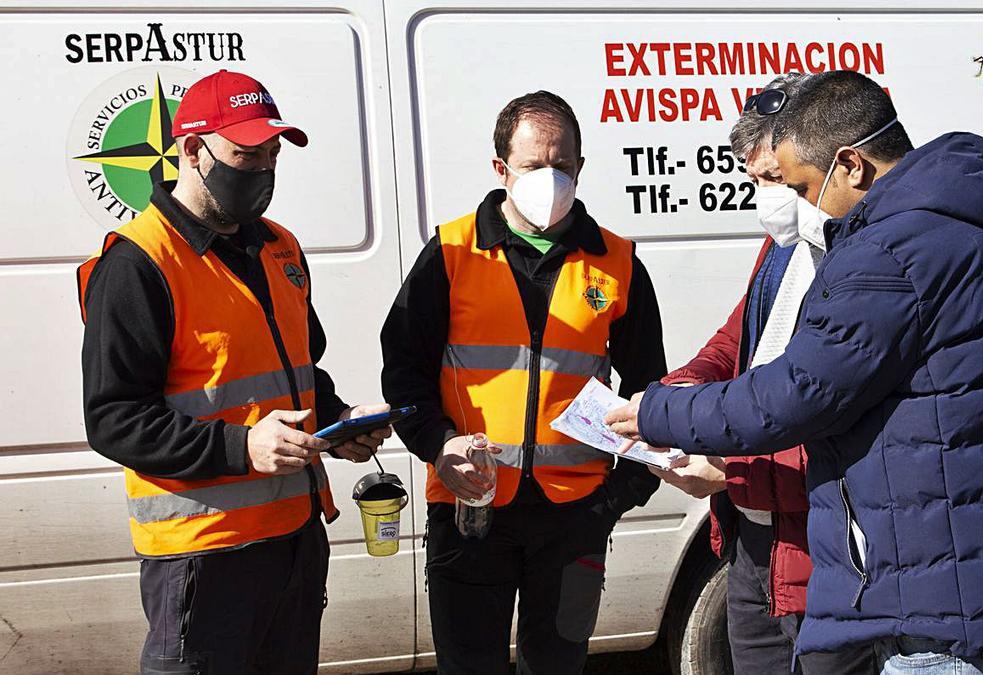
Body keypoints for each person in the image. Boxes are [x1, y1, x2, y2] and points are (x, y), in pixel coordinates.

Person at [607, 70, 983, 674]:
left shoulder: (891, 251)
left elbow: (796, 394)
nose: (792, 202)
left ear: (850, 164)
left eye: (796, 183)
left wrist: (657, 413)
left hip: (944, 601)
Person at [78, 69, 392, 675]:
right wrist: (243, 445)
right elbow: (113, 420)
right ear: (192, 151)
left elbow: (299, 370)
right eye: (247, 155)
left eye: (273, 155)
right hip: (203, 558)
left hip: (293, 540)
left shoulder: (279, 247)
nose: (263, 172)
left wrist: (338, 421)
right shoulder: (139, 263)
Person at [380, 90, 666, 675]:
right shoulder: (452, 252)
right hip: (471, 511)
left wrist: (618, 498)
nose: (551, 178)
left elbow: (651, 394)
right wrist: (436, 446)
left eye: (563, 165)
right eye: (535, 165)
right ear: (501, 169)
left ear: (581, 167)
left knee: (558, 665)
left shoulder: (617, 261)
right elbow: (403, 370)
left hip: (575, 516)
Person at [654, 72, 873, 674]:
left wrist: (729, 464)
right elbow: (741, 338)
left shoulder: (861, 261)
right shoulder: (783, 243)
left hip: (821, 541)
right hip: (754, 536)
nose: (766, 197)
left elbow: (819, 399)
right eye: (753, 180)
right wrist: (684, 388)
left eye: (776, 180)